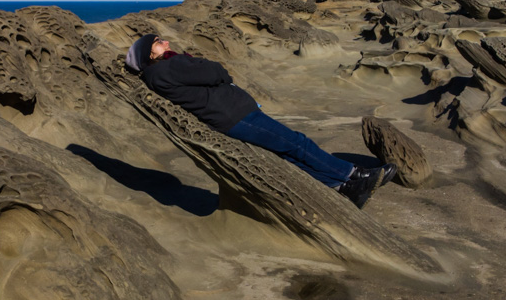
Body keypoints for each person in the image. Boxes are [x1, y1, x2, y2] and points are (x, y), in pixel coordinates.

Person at [125, 33, 396, 208]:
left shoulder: (163, 71)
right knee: (295, 143)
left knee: (287, 153)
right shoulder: (168, 68)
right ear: (150, 54)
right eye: (159, 42)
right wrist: (202, 66)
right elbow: (216, 72)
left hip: (232, 115)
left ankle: (342, 186)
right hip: (235, 115)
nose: (167, 42)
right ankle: (354, 174)